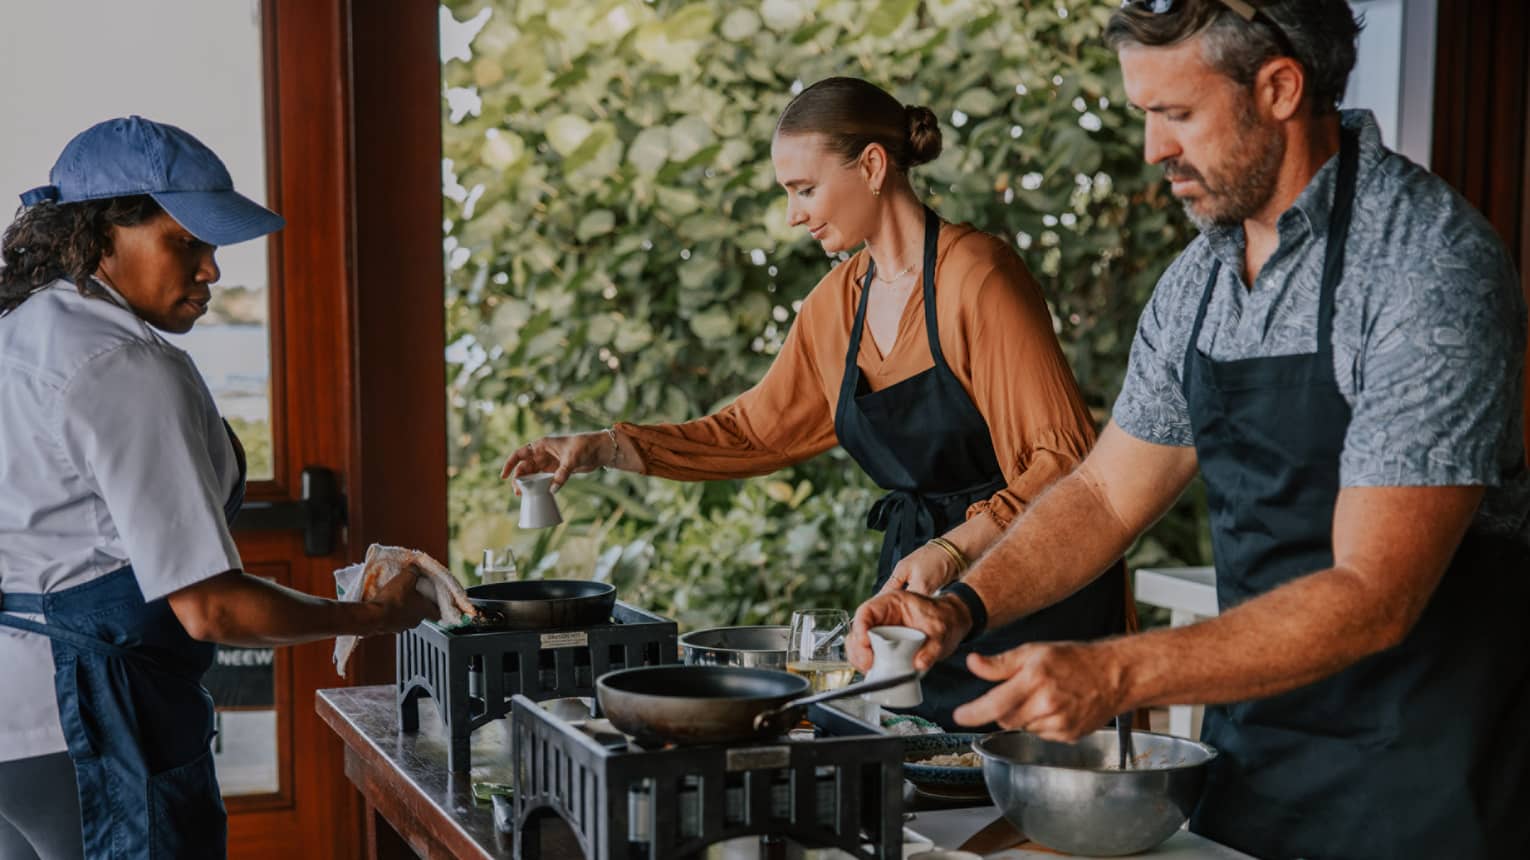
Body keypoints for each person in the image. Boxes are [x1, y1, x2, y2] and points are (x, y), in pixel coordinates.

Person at [850, 1, 1530, 858]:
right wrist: (961, 606)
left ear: (1279, 88)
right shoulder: (1202, 277)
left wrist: (1118, 671)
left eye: (1175, 114)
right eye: (1146, 116)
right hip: (1253, 763)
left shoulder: (1426, 267)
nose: (1152, 150)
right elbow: (1102, 494)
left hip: (1425, 780)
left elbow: (1373, 593)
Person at [500, 76, 1131, 728]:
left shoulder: (979, 279)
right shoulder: (839, 303)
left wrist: (953, 549)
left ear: (874, 166)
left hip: (1033, 592)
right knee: (922, 795)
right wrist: (603, 447)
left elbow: (1064, 465)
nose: (793, 214)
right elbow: (754, 431)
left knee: (1024, 811)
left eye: (804, 189)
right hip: (916, 600)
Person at [0, 116, 435, 860]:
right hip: (91, 728)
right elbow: (212, 608)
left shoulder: (23, 328)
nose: (211, 271)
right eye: (186, 242)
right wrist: (371, 613)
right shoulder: (124, 365)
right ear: (104, 233)